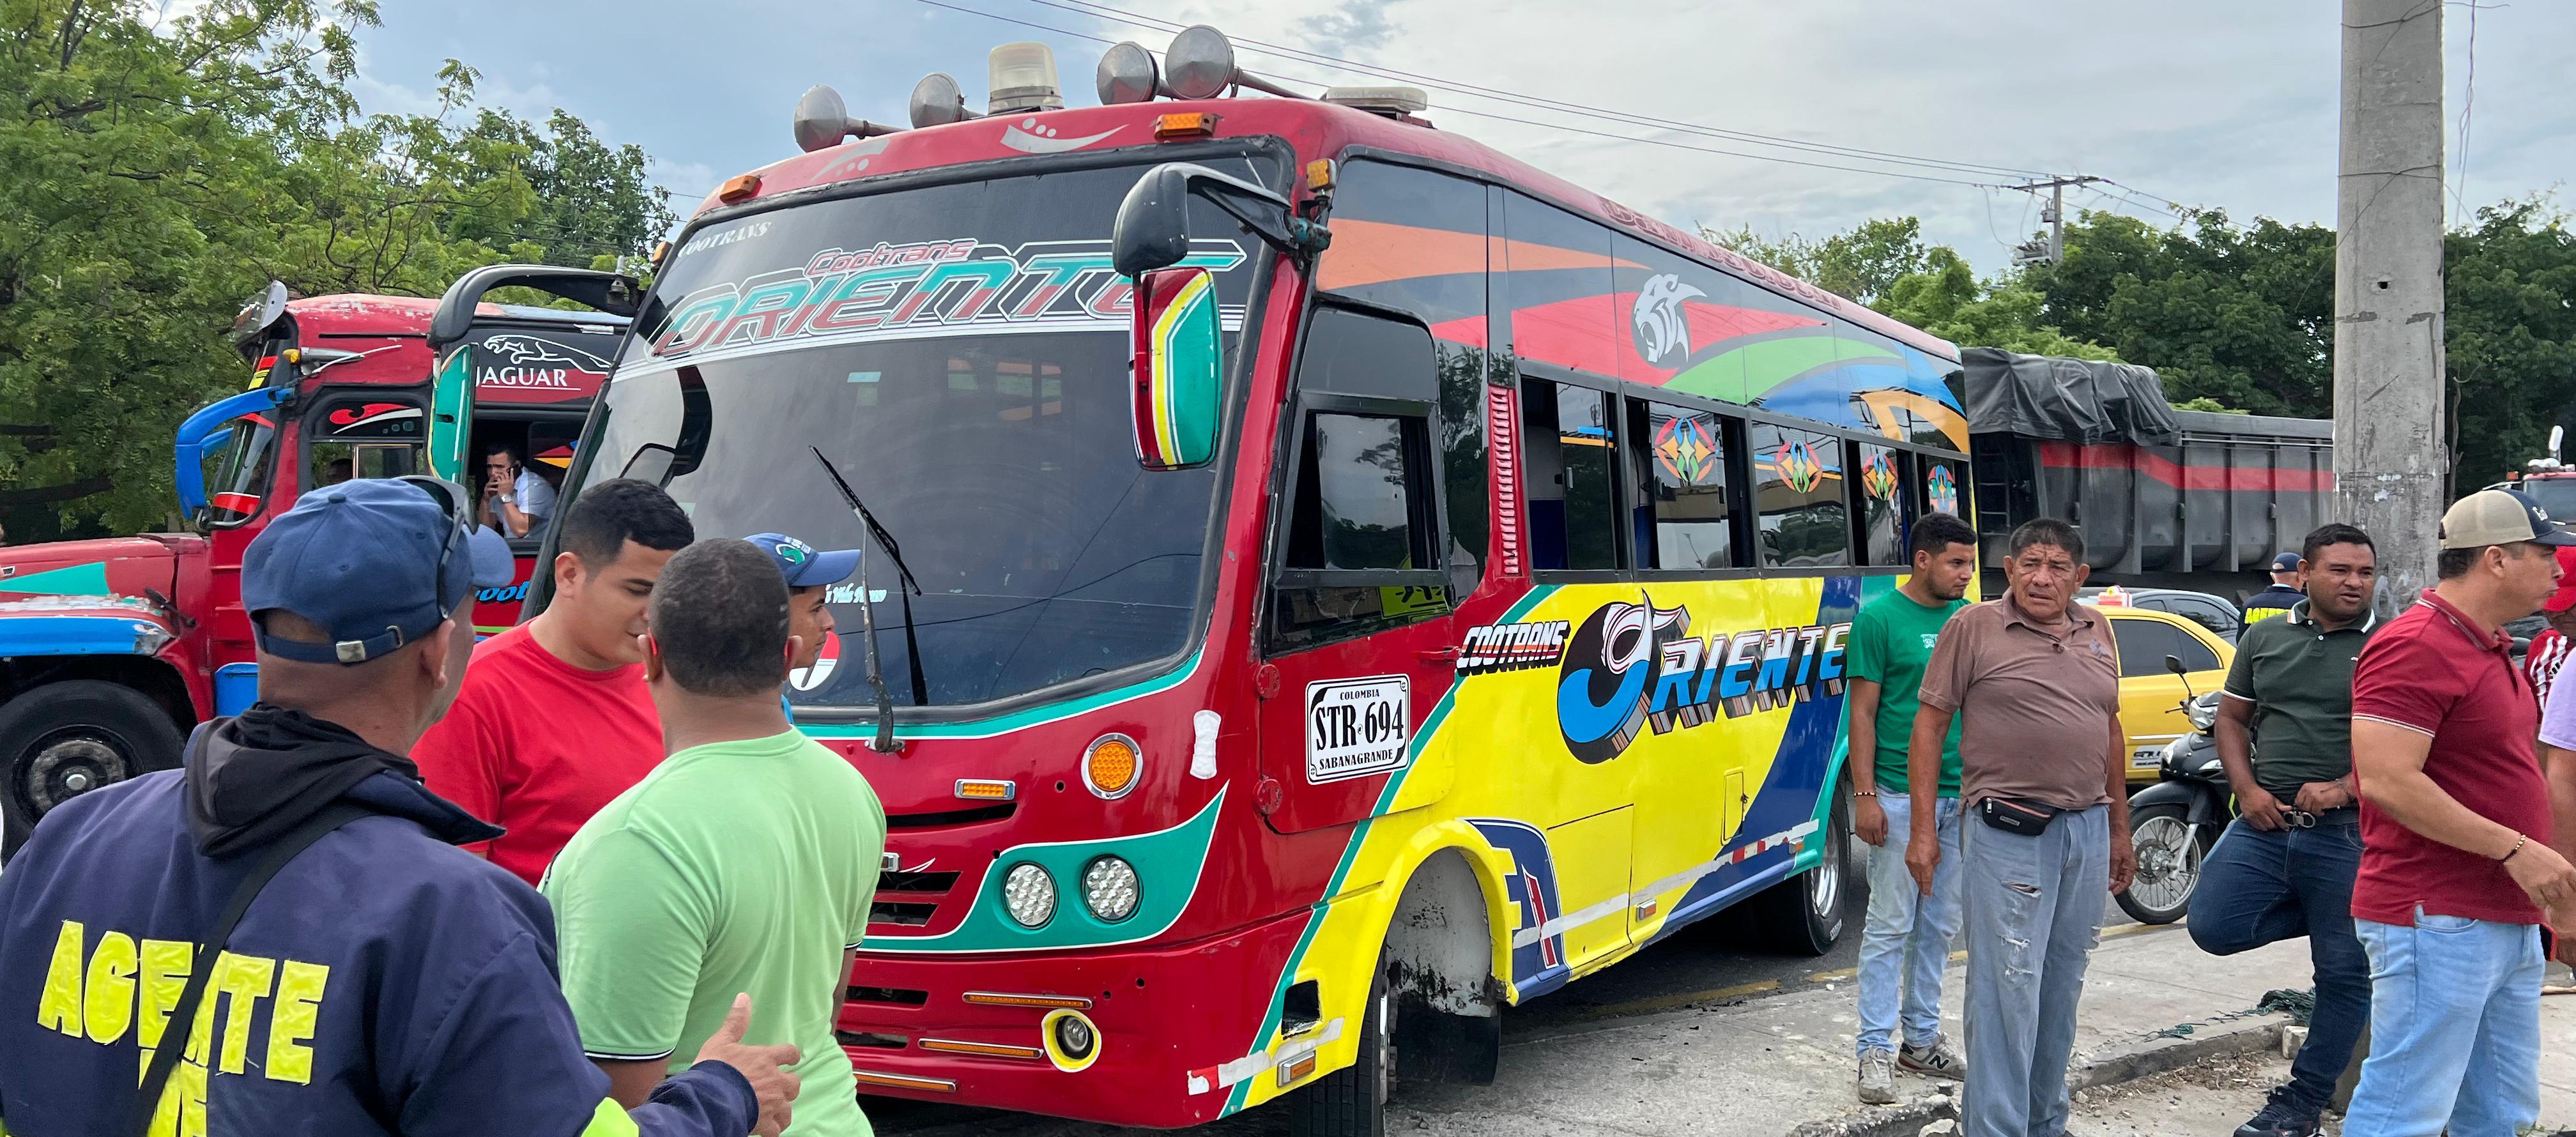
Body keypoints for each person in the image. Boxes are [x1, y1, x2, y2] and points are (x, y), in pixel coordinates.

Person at [0, 478, 798, 1137]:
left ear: (262, 632)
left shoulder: (72, 836)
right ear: (440, 651)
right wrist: (724, 1094)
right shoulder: (449, 913)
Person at [544, 539, 885, 1137]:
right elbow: (825, 1006)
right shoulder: (851, 790)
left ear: (651, 655)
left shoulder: (637, 841)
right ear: (789, 657)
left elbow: (613, 1108)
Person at [2342, 487, 2576, 1137]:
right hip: (2436, 914)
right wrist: (2517, 848)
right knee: (2404, 1108)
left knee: (2502, 1110)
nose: (2558, 569)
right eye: (2545, 552)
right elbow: (2387, 780)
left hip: (2499, 914)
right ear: (2496, 559)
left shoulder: (2490, 646)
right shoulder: (2416, 643)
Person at [1907, 517, 2135, 1137]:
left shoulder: (2098, 627)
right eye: (2030, 563)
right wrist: (1924, 832)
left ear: (2079, 577)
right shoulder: (1973, 626)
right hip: (2007, 831)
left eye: (2058, 566)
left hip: (2086, 828)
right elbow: (1929, 727)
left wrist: (2120, 827)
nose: (2042, 577)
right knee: (2007, 986)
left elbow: (2109, 728)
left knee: (2062, 985)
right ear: (2008, 570)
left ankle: (2044, 1121)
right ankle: (1995, 1128)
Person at [2190, 523, 2379, 1137]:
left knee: (2344, 976)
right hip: (2265, 824)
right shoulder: (2265, 635)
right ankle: (2327, 914)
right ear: (2303, 575)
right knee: (2213, 925)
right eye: (2340, 570)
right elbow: (2232, 718)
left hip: (2349, 831)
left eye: (2365, 573)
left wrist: (2348, 787)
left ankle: (2299, 1106)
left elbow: (2414, 745)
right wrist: (2245, 790)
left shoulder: (2389, 645)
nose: (2354, 583)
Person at [415, 478, 693, 885]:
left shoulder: (680, 677)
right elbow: (452, 885)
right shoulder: (474, 693)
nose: (657, 613)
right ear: (569, 575)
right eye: (639, 591)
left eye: (672, 592)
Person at [1844, 512, 1978, 1104]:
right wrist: (1865, 796)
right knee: (1890, 926)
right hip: (1897, 796)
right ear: (1922, 559)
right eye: (1957, 563)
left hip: (1962, 797)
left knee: (1940, 927)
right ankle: (1874, 1049)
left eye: (1971, 565)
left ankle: (1920, 1041)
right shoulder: (1878, 619)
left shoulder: (1970, 620)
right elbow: (1863, 716)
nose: (1966, 576)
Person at [746, 531, 862, 719]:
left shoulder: (778, 706)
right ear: (772, 618)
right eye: (817, 608)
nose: (830, 623)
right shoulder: (745, 721)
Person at [2520, 546, 2576, 702]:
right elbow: (2536, 722)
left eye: (2570, 603)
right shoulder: (2544, 647)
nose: (2557, 613)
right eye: (2548, 604)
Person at [482, 441, 559, 538]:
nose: (493, 472)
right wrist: (486, 500)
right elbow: (486, 532)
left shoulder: (535, 487)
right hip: (512, 549)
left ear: (516, 466)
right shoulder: (497, 487)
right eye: (490, 467)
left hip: (538, 551)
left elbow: (521, 530)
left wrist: (505, 497)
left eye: (499, 467)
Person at [2241, 551, 2306, 623]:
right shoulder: (2304, 606)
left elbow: (2243, 634)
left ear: (2272, 576)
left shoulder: (2250, 604)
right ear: (2300, 576)